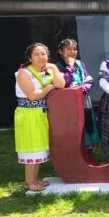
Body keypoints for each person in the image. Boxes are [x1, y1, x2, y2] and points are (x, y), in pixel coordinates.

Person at [14, 43, 65, 191]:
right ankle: (29, 182)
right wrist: (50, 87)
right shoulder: (24, 73)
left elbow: (60, 84)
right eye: (36, 54)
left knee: (40, 147)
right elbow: (32, 95)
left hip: (41, 113)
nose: (40, 57)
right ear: (29, 58)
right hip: (28, 114)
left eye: (43, 54)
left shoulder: (47, 71)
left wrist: (54, 68)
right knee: (32, 148)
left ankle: (35, 179)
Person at [56, 38, 100, 148]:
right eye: (68, 49)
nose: (72, 51)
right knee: (73, 127)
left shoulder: (80, 64)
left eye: (74, 49)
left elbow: (89, 79)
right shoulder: (56, 67)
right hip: (68, 103)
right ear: (61, 51)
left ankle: (88, 156)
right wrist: (70, 66)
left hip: (84, 100)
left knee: (88, 125)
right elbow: (65, 82)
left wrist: (81, 89)